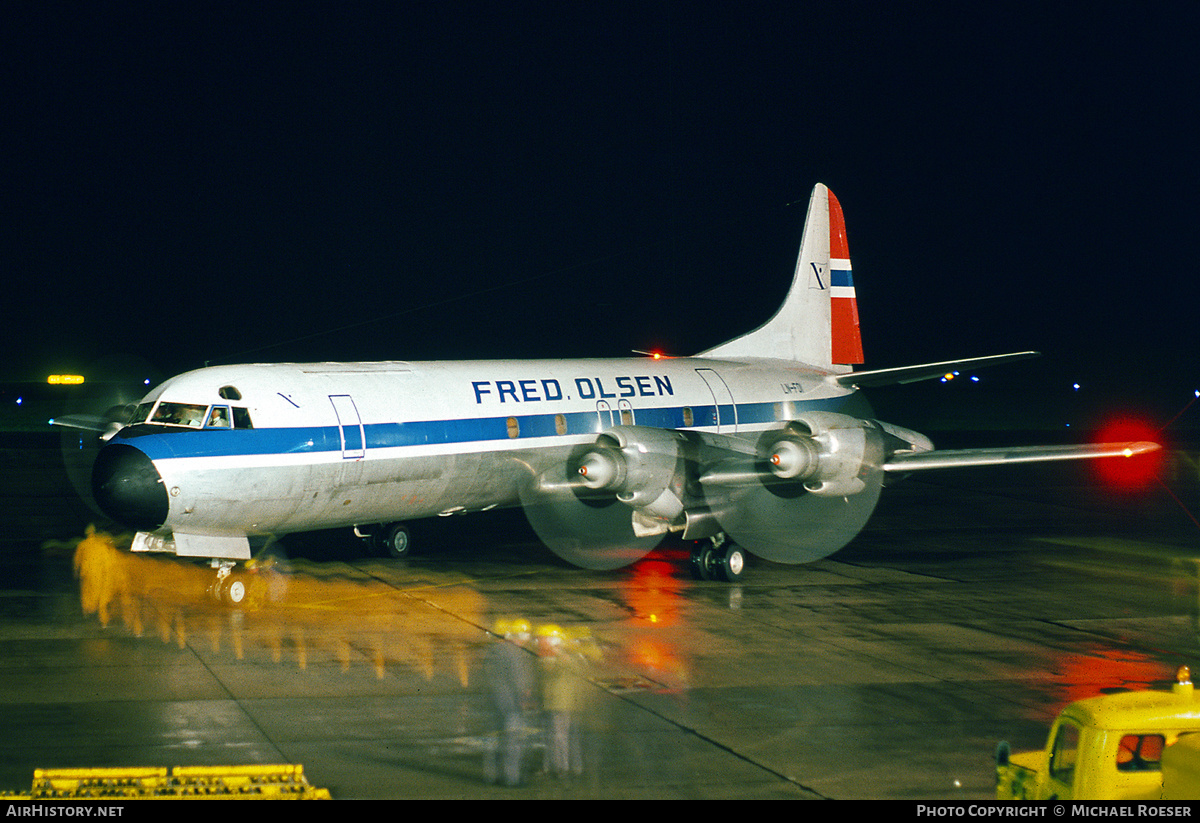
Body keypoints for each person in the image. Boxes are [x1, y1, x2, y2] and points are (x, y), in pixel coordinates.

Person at [484, 618, 535, 786]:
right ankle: (511, 778)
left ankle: (491, 776)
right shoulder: (513, 651)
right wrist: (524, 697)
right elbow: (518, 679)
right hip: (511, 704)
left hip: (494, 702)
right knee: (513, 741)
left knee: (494, 740)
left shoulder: (491, 651)